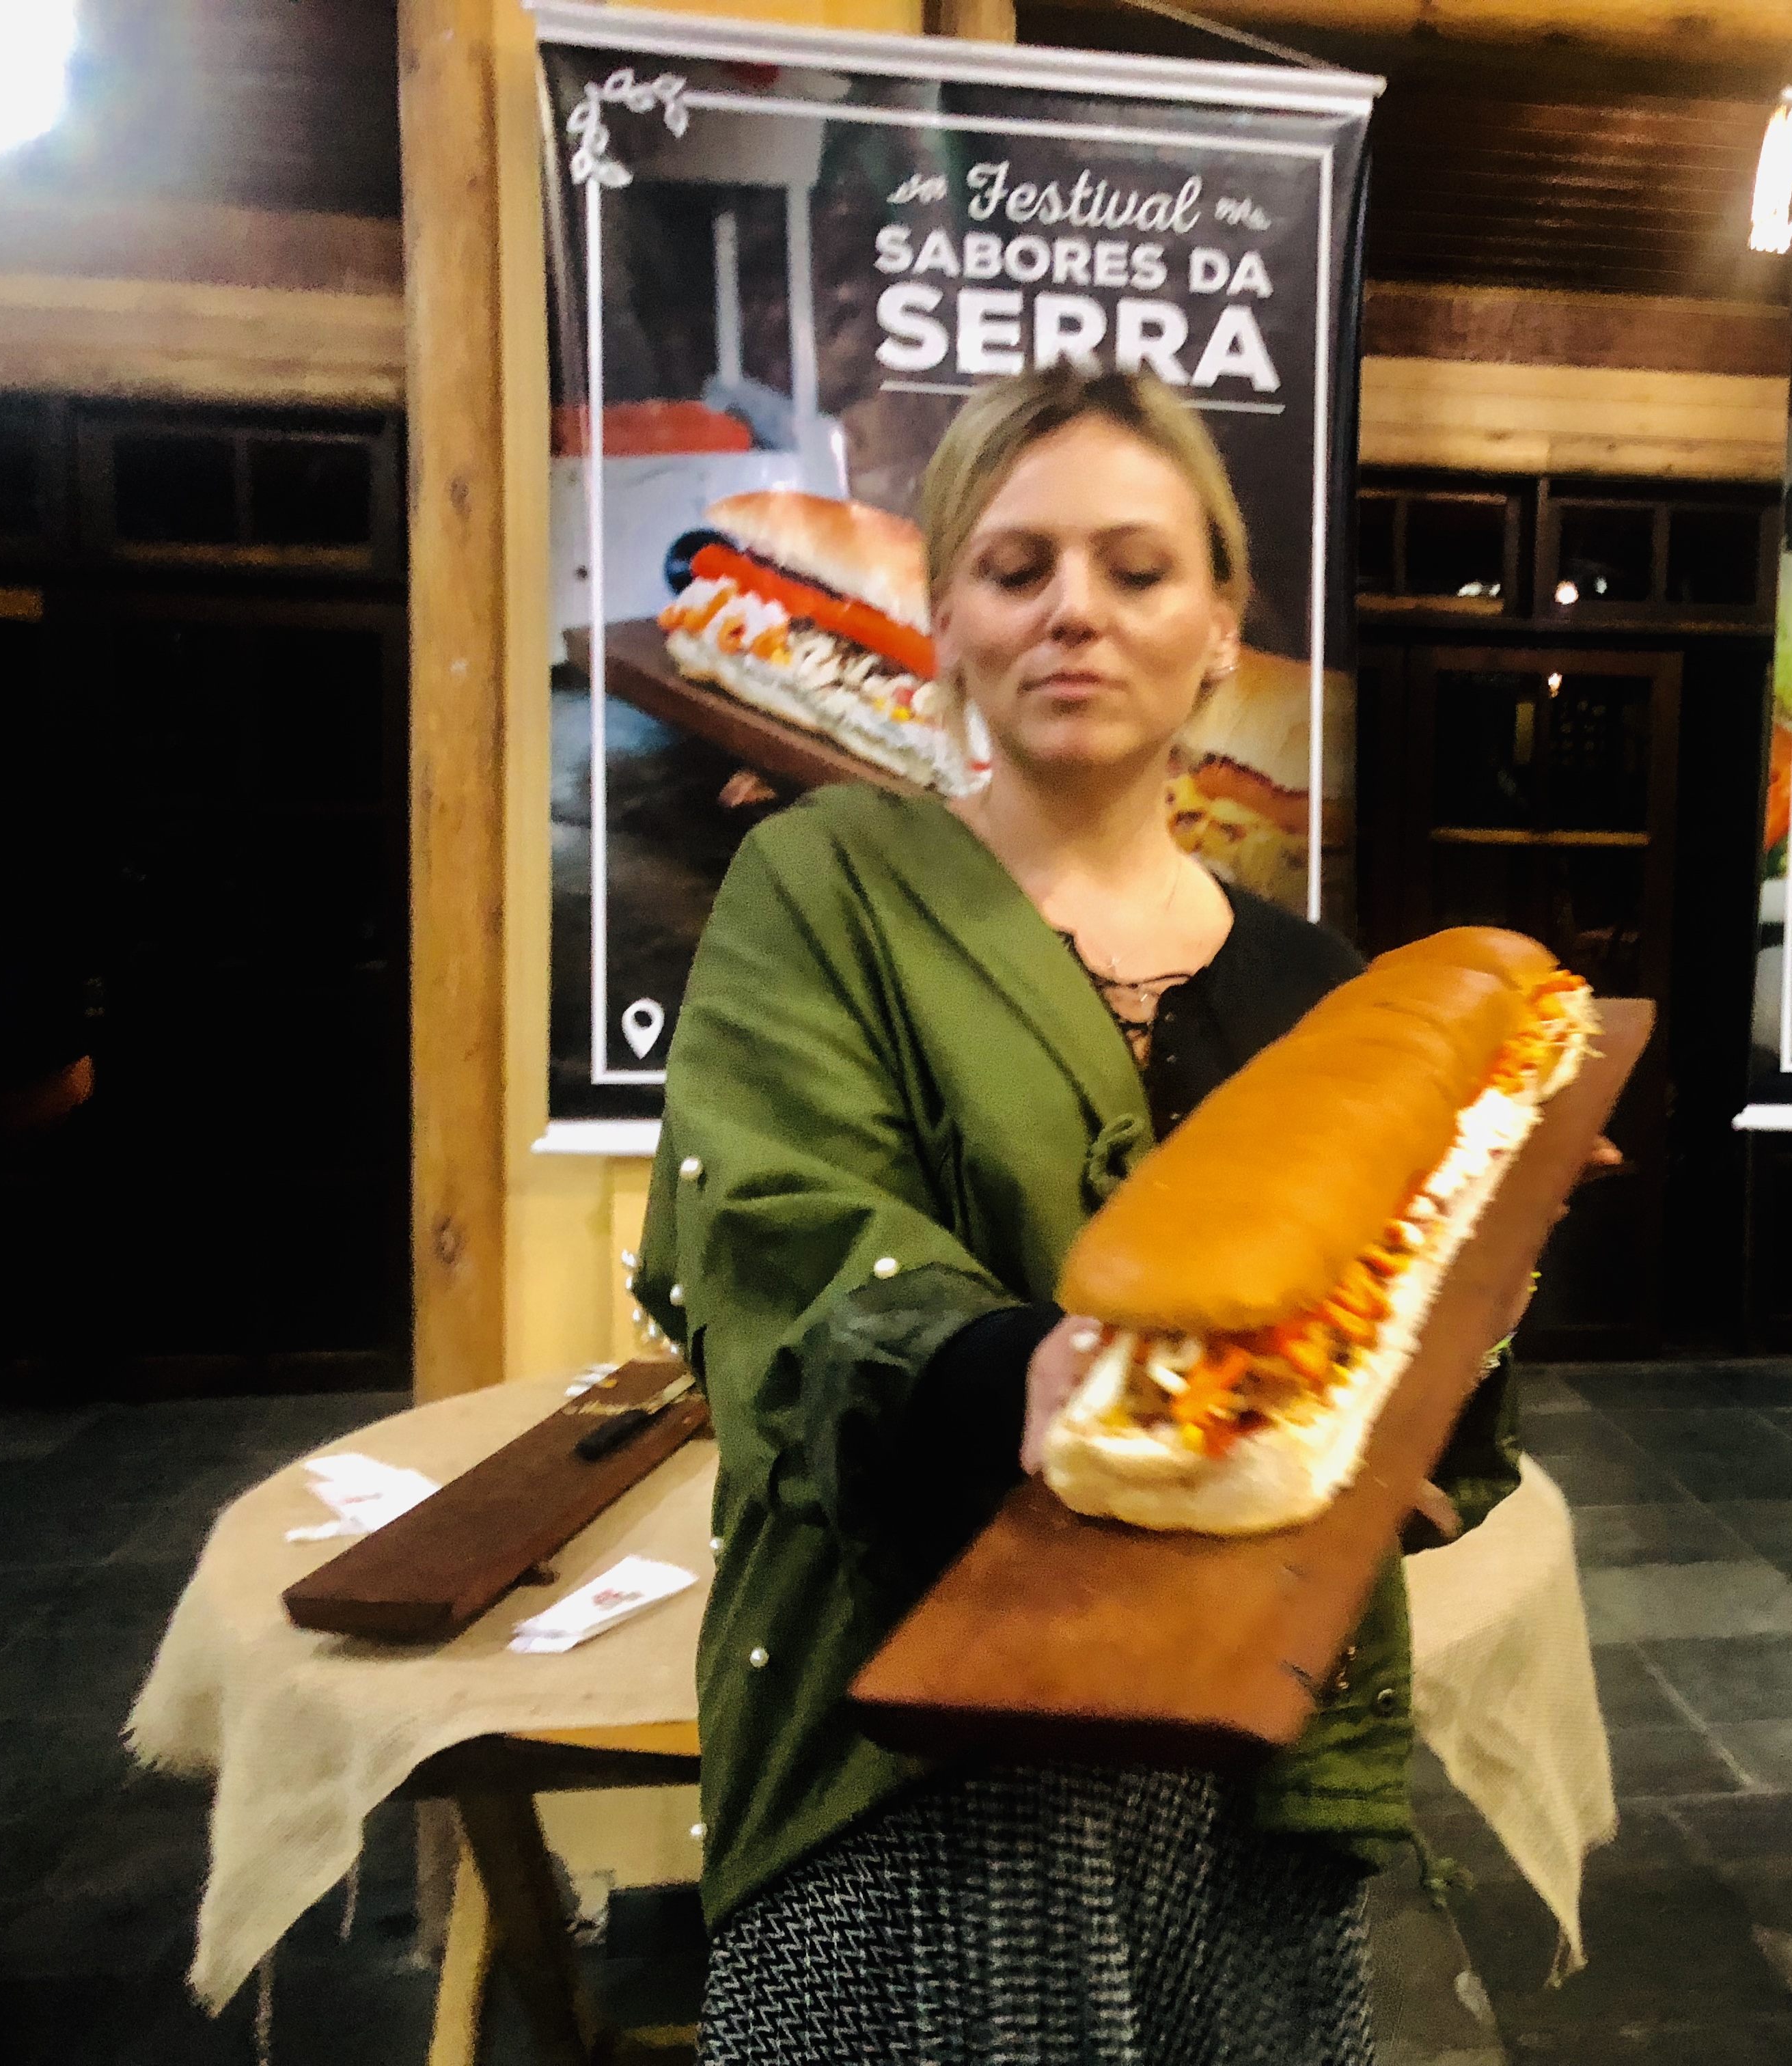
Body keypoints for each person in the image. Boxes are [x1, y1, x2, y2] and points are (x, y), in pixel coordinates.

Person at [633, 368, 1524, 2065]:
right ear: (948, 617)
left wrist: (1435, 1368)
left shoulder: (1323, 991)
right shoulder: (825, 890)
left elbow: (1413, 1314)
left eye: (1136, 568)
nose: (1075, 613)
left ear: (1219, 624)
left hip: (1240, 1768)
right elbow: (776, 1229)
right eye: (1017, 566)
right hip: (911, 1766)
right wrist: (1039, 1383)